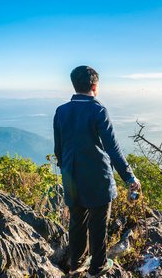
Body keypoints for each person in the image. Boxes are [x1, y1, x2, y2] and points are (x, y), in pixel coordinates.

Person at [53, 65, 141, 277]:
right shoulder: (98, 110)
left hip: (71, 175)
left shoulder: (61, 111)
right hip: (97, 178)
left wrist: (66, 169)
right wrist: (130, 177)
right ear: (94, 86)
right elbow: (113, 149)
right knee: (98, 224)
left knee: (76, 222)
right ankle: (97, 267)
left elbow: (59, 149)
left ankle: (76, 265)